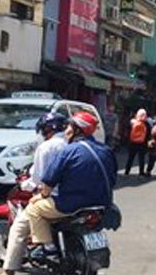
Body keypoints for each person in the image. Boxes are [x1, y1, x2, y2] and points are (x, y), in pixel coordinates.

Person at [0, 113, 69, 275]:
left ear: (47, 129)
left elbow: (38, 180)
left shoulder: (47, 147)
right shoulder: (74, 145)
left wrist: (23, 186)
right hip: (79, 198)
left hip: (54, 197)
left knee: (19, 228)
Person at [24, 111, 117, 261]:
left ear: (77, 129)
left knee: (34, 208)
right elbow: (112, 178)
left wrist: (41, 196)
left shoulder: (69, 151)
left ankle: (48, 248)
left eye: (68, 127)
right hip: (102, 203)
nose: (66, 130)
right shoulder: (105, 150)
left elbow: (48, 182)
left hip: (72, 205)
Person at [125, 108, 150, 176]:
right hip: (142, 143)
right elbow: (148, 134)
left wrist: (128, 140)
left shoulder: (132, 122)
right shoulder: (146, 123)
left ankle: (127, 171)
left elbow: (128, 132)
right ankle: (141, 172)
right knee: (141, 158)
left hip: (132, 143)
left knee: (130, 157)